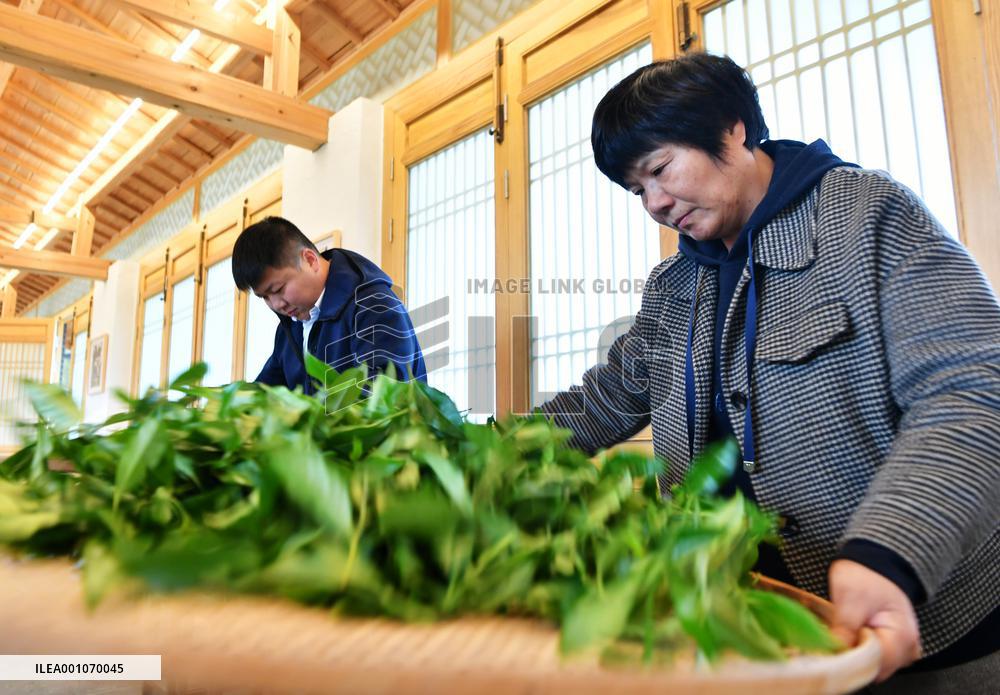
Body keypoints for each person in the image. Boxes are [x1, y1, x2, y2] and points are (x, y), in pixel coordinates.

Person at [540, 53, 999, 691]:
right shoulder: (674, 286)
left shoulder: (865, 214)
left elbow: (971, 391)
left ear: (732, 130)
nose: (654, 203)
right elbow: (608, 398)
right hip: (759, 627)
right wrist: (475, 443)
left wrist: (891, 549)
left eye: (660, 170)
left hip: (926, 624)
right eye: (636, 189)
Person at [232, 216, 427, 391]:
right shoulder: (290, 325)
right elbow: (267, 391)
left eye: (278, 290)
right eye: (264, 297)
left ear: (310, 260)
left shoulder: (373, 305)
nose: (276, 304)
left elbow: (385, 397)